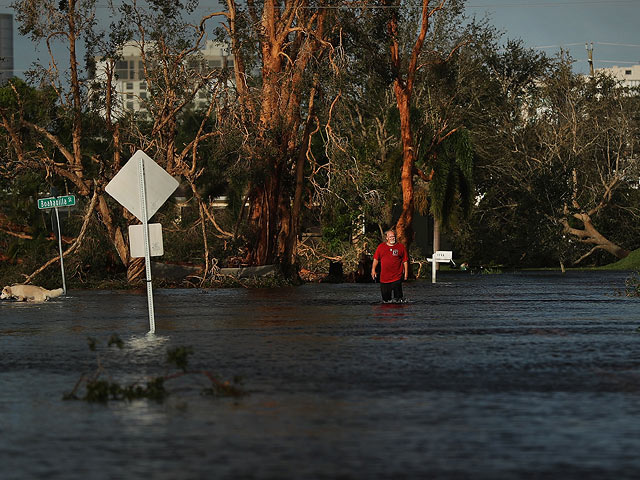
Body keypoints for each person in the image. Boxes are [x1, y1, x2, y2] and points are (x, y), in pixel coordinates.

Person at [371, 229, 409, 302]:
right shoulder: (381, 247)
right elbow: (376, 259)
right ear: (387, 238)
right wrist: (373, 270)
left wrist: (406, 274)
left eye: (394, 236)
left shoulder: (400, 247)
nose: (392, 238)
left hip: (397, 277)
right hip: (384, 279)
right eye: (391, 237)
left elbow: (405, 261)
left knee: (398, 300)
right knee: (386, 301)